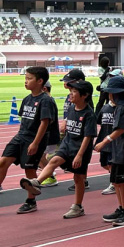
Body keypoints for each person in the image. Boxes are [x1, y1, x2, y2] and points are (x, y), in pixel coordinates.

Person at [22, 80, 97, 218]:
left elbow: (88, 137)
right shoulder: (71, 109)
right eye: (70, 91)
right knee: (54, 161)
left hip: (80, 150)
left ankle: (78, 206)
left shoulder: (89, 114)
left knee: (78, 178)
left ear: (85, 95)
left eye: (74, 92)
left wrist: (80, 155)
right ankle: (37, 183)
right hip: (67, 145)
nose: (70, 94)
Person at [0, 66, 56, 213]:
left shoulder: (46, 100)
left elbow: (44, 123)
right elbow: (24, 119)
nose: (26, 81)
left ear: (40, 81)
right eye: (25, 78)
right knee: (3, 162)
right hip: (21, 136)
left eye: (29, 78)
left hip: (34, 139)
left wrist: (35, 143)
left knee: (29, 169)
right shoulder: (27, 99)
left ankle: (31, 201)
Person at [95, 75, 124, 226]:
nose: (109, 96)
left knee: (122, 181)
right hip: (119, 149)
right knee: (116, 181)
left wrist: (104, 142)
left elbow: (121, 129)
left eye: (110, 93)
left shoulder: (122, 108)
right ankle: (121, 208)